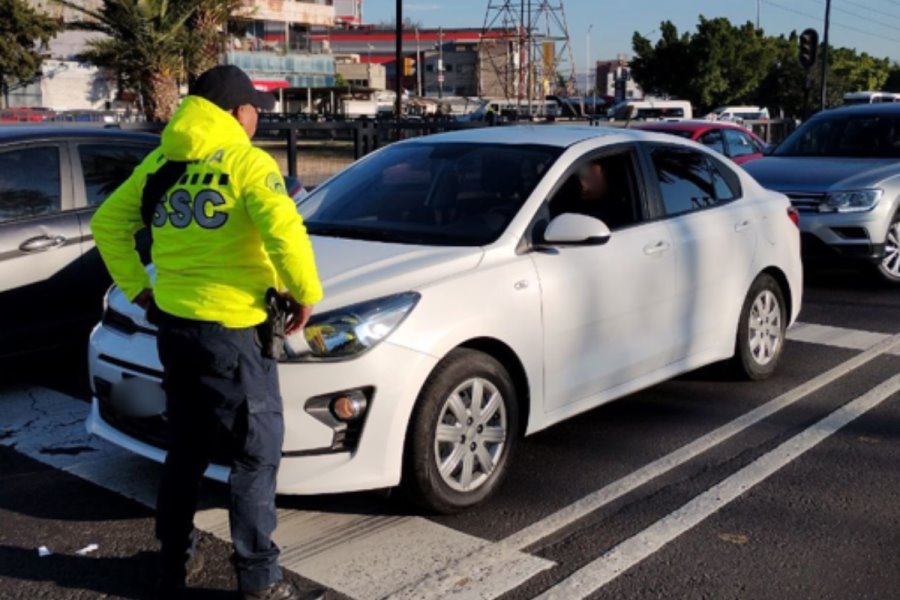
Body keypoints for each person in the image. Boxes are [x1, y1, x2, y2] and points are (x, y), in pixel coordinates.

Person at [90, 65, 325, 600]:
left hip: (175, 330)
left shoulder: (162, 161)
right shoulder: (248, 162)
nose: (258, 118)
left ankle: (173, 559)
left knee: (187, 449)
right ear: (235, 111)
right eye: (254, 109)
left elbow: (108, 223)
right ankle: (260, 580)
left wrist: (140, 288)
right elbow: (284, 229)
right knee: (254, 454)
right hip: (235, 333)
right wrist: (305, 291)